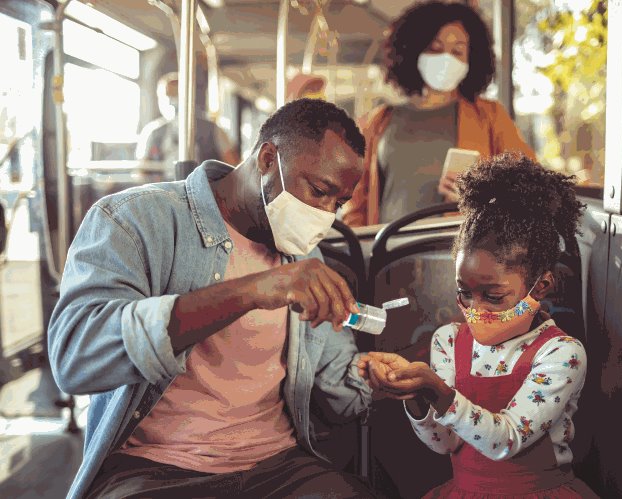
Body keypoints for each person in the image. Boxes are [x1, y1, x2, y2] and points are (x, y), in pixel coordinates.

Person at [48, 98, 377, 499]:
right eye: (320, 191)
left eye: (338, 204)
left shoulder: (305, 256)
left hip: (276, 465)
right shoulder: (136, 220)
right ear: (268, 159)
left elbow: (334, 377)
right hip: (155, 466)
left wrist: (371, 372)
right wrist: (251, 291)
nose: (325, 214)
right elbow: (75, 356)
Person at [360, 153, 597, 498]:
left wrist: (439, 391)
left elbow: (507, 440)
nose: (475, 309)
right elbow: (444, 443)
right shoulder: (448, 341)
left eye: (493, 296)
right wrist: (416, 398)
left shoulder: (562, 353)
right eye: (464, 294)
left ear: (541, 287)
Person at [342, 1, 536, 227]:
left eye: (458, 51)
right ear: (413, 51)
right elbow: (355, 204)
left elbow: (530, 184)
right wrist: (361, 253)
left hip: (459, 252)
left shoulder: (490, 117)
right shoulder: (379, 121)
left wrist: (480, 194)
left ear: (471, 59)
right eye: (435, 49)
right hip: (388, 252)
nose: (446, 59)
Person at [136, 72, 241, 167]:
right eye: (168, 96)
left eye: (176, 95)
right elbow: (142, 170)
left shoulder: (213, 130)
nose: (171, 101)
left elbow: (232, 164)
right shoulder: (152, 132)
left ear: (189, 98)